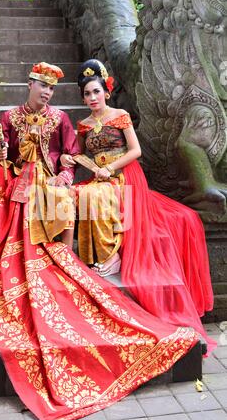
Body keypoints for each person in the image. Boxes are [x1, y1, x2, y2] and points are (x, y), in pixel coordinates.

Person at [0, 62, 199, 420]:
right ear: (30, 84)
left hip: (103, 178)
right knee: (65, 197)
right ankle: (41, 249)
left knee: (80, 196)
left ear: (104, 91)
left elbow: (70, 156)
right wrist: (1, 154)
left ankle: (90, 253)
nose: (46, 93)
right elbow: (4, 153)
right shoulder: (12, 117)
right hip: (26, 181)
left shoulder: (67, 120)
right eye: (42, 86)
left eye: (52, 89)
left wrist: (64, 173)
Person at [61, 58, 216, 354]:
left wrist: (112, 168)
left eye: (95, 92)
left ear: (105, 91)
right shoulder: (83, 125)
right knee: (74, 196)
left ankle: (111, 257)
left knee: (96, 196)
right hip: (100, 177)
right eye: (86, 95)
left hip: (124, 176)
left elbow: (136, 151)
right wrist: (71, 159)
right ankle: (77, 254)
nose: (92, 98)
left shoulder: (119, 116)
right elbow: (84, 155)